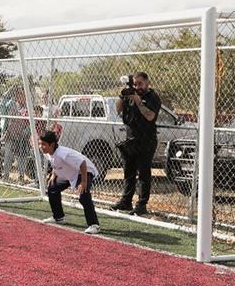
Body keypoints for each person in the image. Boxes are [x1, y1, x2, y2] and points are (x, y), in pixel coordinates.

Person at [112, 71, 161, 216]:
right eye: (135, 84)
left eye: (140, 83)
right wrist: (122, 96)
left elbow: (150, 116)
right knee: (129, 172)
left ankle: (141, 204)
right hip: (131, 138)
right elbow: (118, 109)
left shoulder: (152, 97)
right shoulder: (130, 95)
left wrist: (138, 100)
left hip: (146, 140)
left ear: (147, 83)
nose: (137, 86)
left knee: (144, 174)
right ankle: (126, 201)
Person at [38, 130, 101, 234]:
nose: (41, 146)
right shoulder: (48, 152)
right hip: (69, 175)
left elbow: (82, 163)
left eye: (43, 144)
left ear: (52, 144)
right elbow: (55, 163)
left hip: (84, 172)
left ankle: (94, 225)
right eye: (40, 143)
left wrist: (84, 182)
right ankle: (59, 217)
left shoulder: (63, 153)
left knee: (83, 195)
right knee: (52, 188)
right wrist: (54, 175)